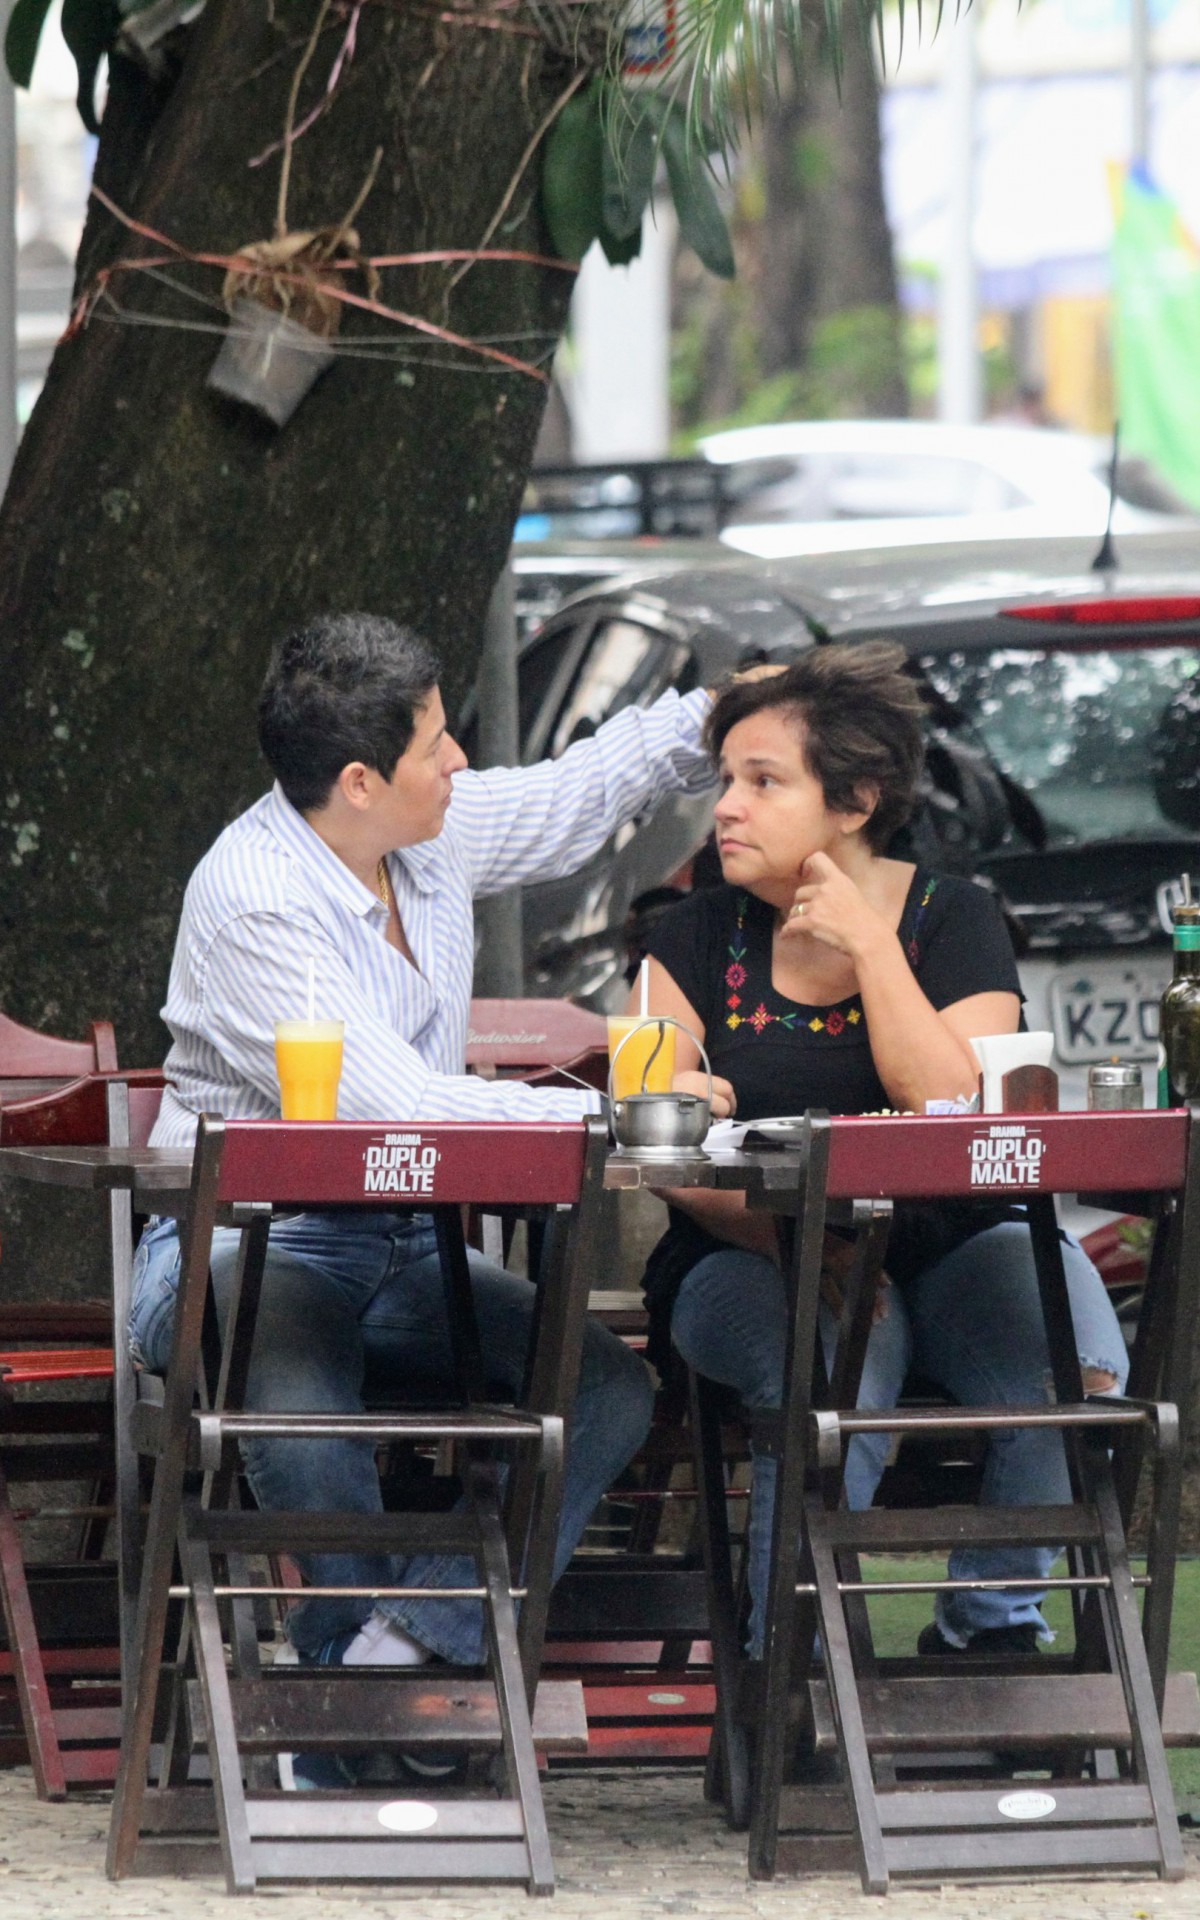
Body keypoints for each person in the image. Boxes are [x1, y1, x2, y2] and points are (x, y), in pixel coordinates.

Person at [130, 610, 725, 1785]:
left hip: (405, 1246)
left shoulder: (424, 836)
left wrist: (718, 714)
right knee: (297, 1400)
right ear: (360, 781)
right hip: (243, 1242)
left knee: (604, 1390)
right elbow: (396, 1108)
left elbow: (571, 794)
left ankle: (390, 1667)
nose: (459, 760)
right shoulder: (255, 898)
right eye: (436, 744)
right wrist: (622, 1119)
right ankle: (350, 1735)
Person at [633, 642, 1128, 1660]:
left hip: (950, 1244)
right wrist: (798, 1243)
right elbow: (659, 1147)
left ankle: (991, 1633)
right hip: (745, 1251)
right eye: (726, 780)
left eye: (763, 782)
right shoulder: (691, 937)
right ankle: (789, 1674)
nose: (727, 808)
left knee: (1074, 1363)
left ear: (855, 801)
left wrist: (868, 943)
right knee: (839, 1368)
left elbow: (953, 1105)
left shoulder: (958, 919)